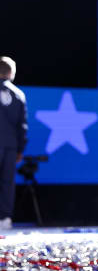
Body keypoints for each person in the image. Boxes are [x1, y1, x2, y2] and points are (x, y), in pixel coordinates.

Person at [0, 57, 27, 230]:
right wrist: (20, 149)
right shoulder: (18, 94)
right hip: (10, 146)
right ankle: (5, 218)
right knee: (7, 182)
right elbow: (22, 126)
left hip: (9, 144)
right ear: (11, 73)